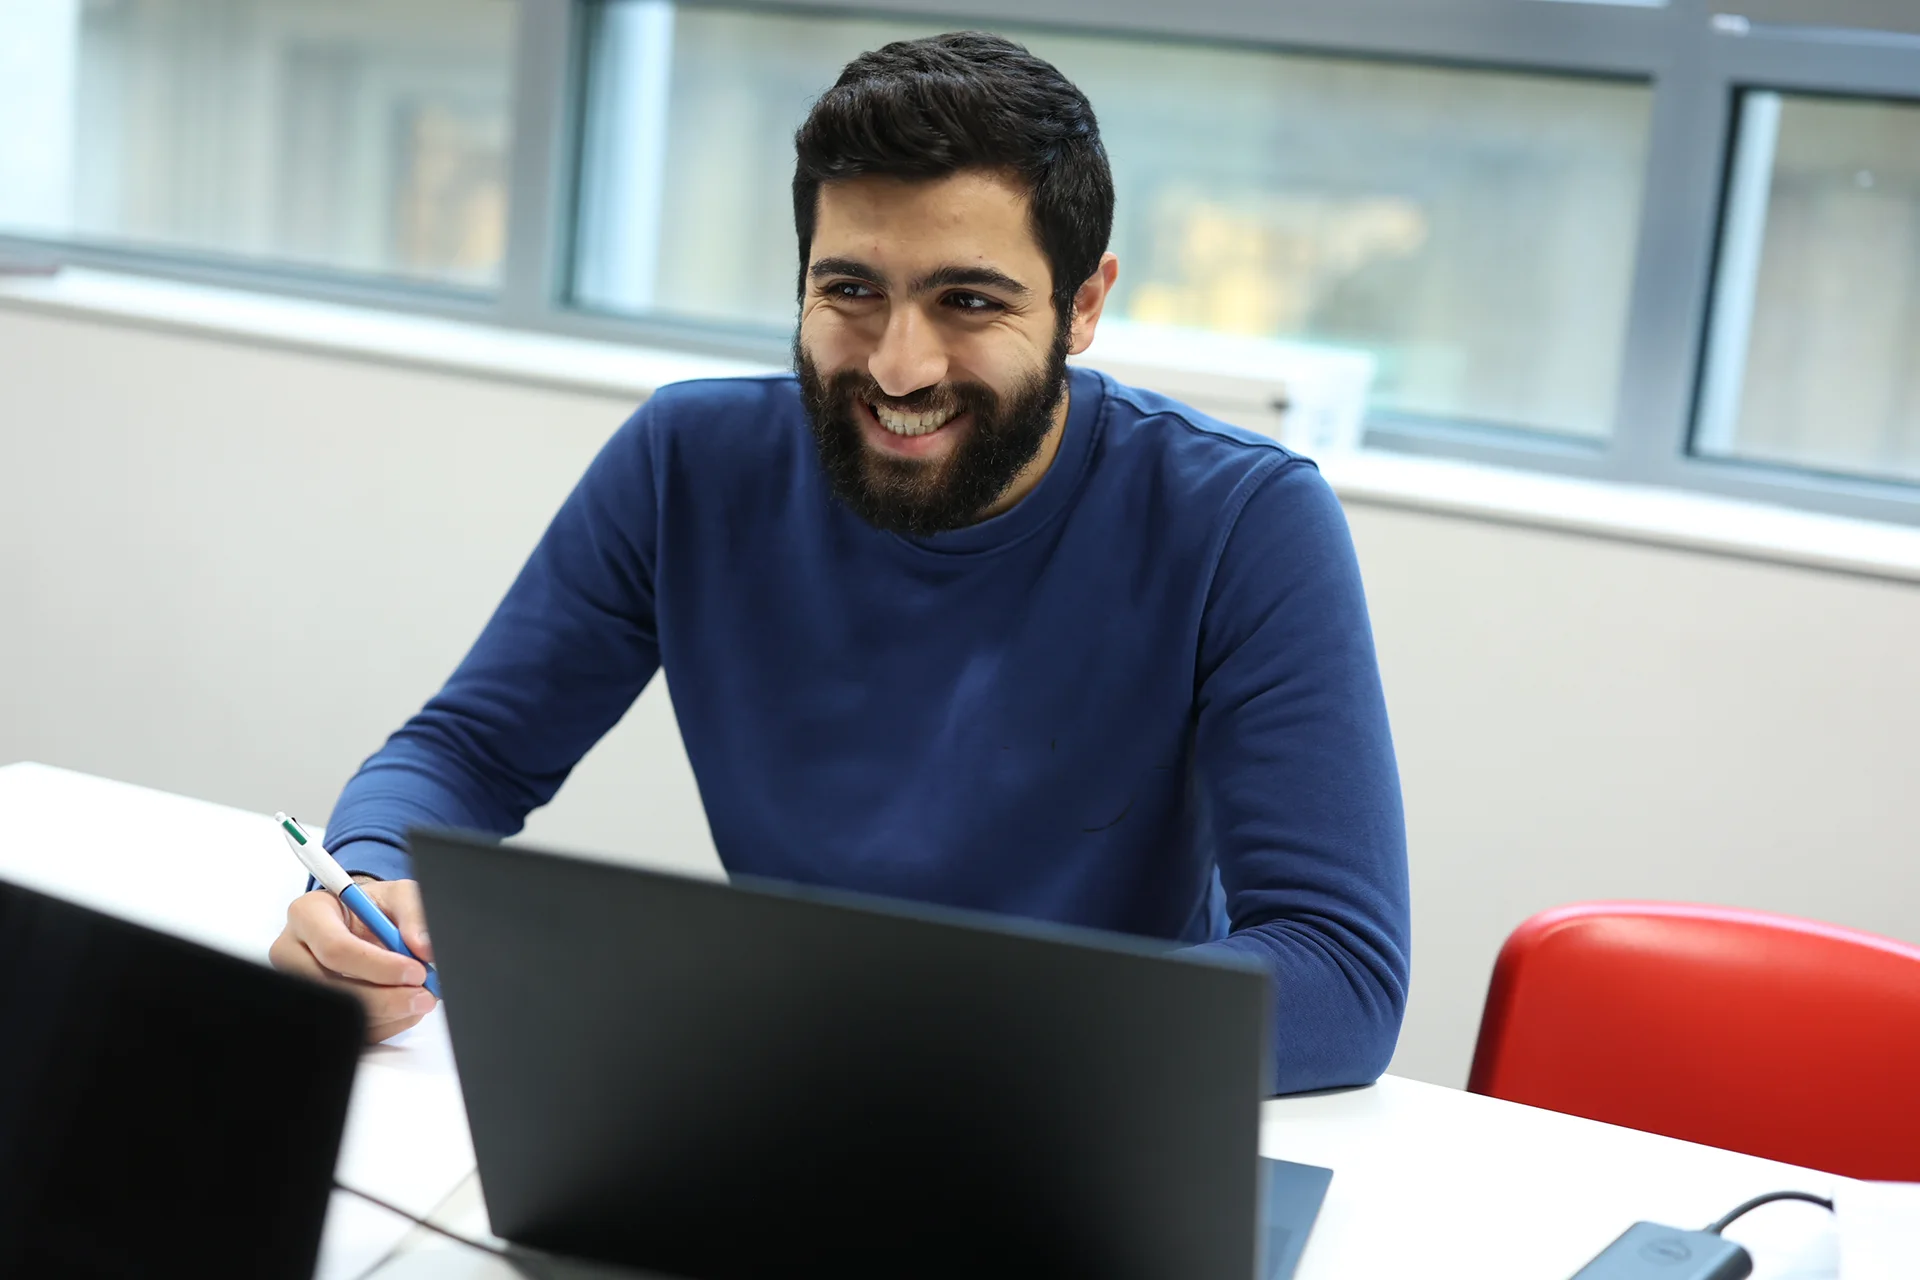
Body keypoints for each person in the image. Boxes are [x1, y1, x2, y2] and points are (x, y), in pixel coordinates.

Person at [268, 31, 1410, 1094]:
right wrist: (370, 894)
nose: (900, 367)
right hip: (789, 1095)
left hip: (1074, 1111)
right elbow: (464, 751)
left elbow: (1338, 971)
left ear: (1084, 304)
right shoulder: (688, 461)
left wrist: (916, 1033)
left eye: (969, 300)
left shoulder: (1244, 519)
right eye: (850, 290)